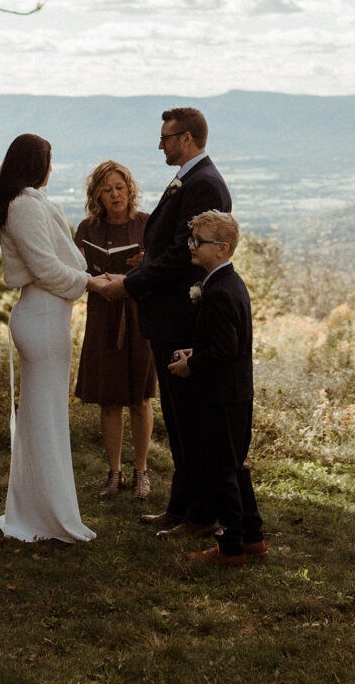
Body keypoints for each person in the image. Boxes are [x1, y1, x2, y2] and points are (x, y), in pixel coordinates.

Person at [97, 106, 231, 537]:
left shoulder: (203, 183)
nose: (161, 145)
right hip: (168, 315)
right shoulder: (190, 179)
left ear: (187, 139)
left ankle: (202, 516)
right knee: (177, 419)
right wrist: (145, 261)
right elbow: (169, 248)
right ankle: (181, 507)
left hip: (182, 320)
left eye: (166, 138)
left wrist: (132, 283)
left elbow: (182, 255)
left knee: (190, 420)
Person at [0, 133, 113, 543]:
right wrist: (91, 283)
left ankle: (40, 511)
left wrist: (87, 277)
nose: (51, 167)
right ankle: (45, 518)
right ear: (34, 164)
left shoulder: (31, 203)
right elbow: (45, 269)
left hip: (49, 316)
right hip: (40, 317)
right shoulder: (24, 207)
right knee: (44, 422)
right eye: (48, 159)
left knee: (47, 420)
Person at [170, 210, 266, 567]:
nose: (191, 246)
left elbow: (226, 350)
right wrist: (197, 350)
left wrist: (190, 365)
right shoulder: (228, 283)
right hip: (236, 392)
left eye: (198, 241)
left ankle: (230, 548)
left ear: (222, 249)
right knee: (235, 466)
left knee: (222, 471)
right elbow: (228, 342)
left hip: (222, 395)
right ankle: (253, 538)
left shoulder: (220, 291)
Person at [73, 160, 156, 498]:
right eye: (107, 190)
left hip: (138, 314)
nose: (115, 194)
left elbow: (162, 267)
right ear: (98, 196)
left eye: (119, 187)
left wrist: (145, 263)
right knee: (109, 399)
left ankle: (141, 472)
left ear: (129, 189)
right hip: (103, 313)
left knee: (139, 397)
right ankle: (114, 473)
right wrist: (93, 276)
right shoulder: (87, 228)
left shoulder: (146, 224)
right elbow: (74, 271)